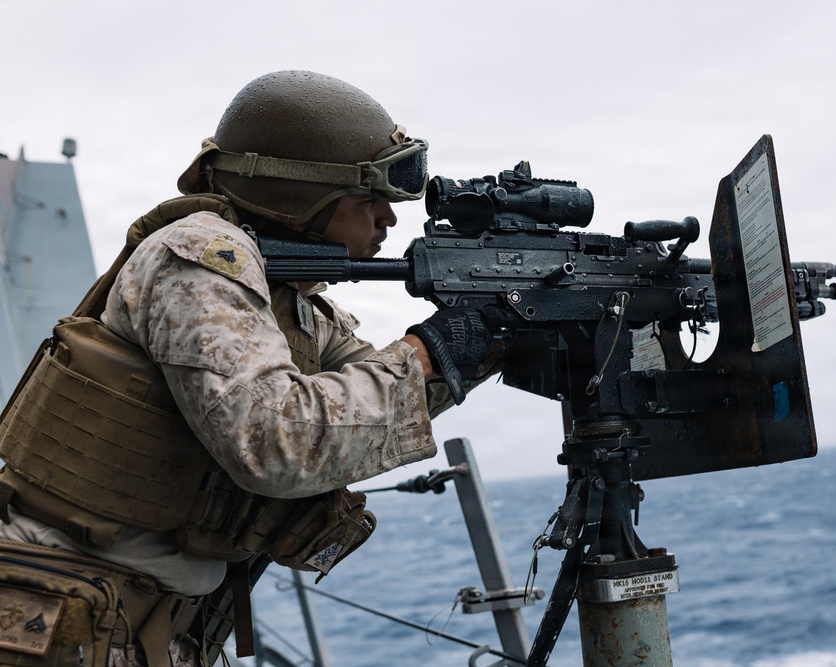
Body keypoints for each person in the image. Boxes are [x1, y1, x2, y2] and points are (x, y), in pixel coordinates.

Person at [0, 70, 499, 667]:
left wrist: (492, 336)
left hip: (136, 616)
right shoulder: (200, 258)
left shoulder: (294, 302)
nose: (387, 222)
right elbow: (276, 440)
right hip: (59, 611)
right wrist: (431, 352)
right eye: (369, 199)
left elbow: (371, 395)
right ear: (300, 194)